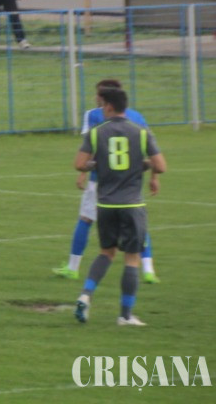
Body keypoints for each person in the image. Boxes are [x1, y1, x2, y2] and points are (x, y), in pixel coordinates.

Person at [73, 85, 166, 327]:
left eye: (103, 104)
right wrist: (142, 165)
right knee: (132, 257)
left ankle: (85, 295)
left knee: (106, 253)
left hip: (105, 204)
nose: (102, 108)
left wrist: (97, 165)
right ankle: (125, 315)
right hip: (132, 204)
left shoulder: (96, 132)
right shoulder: (141, 132)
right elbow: (161, 166)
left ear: (110, 106)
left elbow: (80, 164)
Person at [54, 79, 158, 283]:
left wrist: (83, 172)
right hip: (131, 182)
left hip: (101, 181)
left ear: (105, 99)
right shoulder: (136, 116)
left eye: (98, 94)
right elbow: (151, 149)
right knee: (137, 225)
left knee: (85, 219)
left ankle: (73, 268)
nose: (96, 98)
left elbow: (91, 147)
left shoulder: (94, 114)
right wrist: (154, 177)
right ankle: (148, 270)